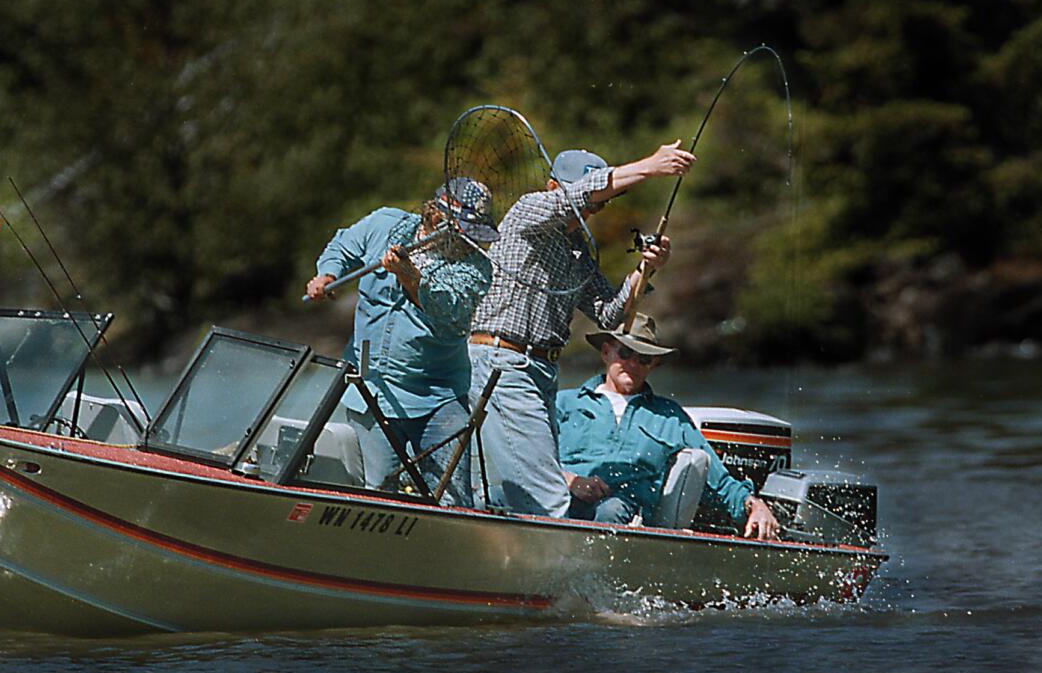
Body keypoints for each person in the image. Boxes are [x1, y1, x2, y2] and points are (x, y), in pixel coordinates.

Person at [468, 143, 693, 517]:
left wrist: (646, 269)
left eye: (598, 205)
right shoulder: (528, 211)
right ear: (554, 187)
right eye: (587, 200)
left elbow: (609, 313)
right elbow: (581, 194)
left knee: (537, 483)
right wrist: (650, 166)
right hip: (502, 361)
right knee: (545, 494)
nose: (590, 210)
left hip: (540, 371)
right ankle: (568, 572)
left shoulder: (577, 252)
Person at [305, 178, 498, 507]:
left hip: (438, 396)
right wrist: (328, 274)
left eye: (474, 231)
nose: (468, 239)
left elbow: (447, 309)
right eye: (462, 228)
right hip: (371, 390)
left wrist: (409, 276)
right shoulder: (385, 224)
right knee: (378, 495)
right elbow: (342, 246)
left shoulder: (476, 266)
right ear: (436, 214)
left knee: (452, 498)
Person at [555, 314, 780, 539]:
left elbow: (719, 481)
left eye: (644, 358)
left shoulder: (671, 417)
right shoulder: (563, 403)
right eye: (625, 353)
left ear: (654, 363)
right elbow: (527, 457)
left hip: (625, 517)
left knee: (611, 509)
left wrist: (754, 505)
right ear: (606, 352)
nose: (633, 364)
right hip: (558, 500)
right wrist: (570, 481)